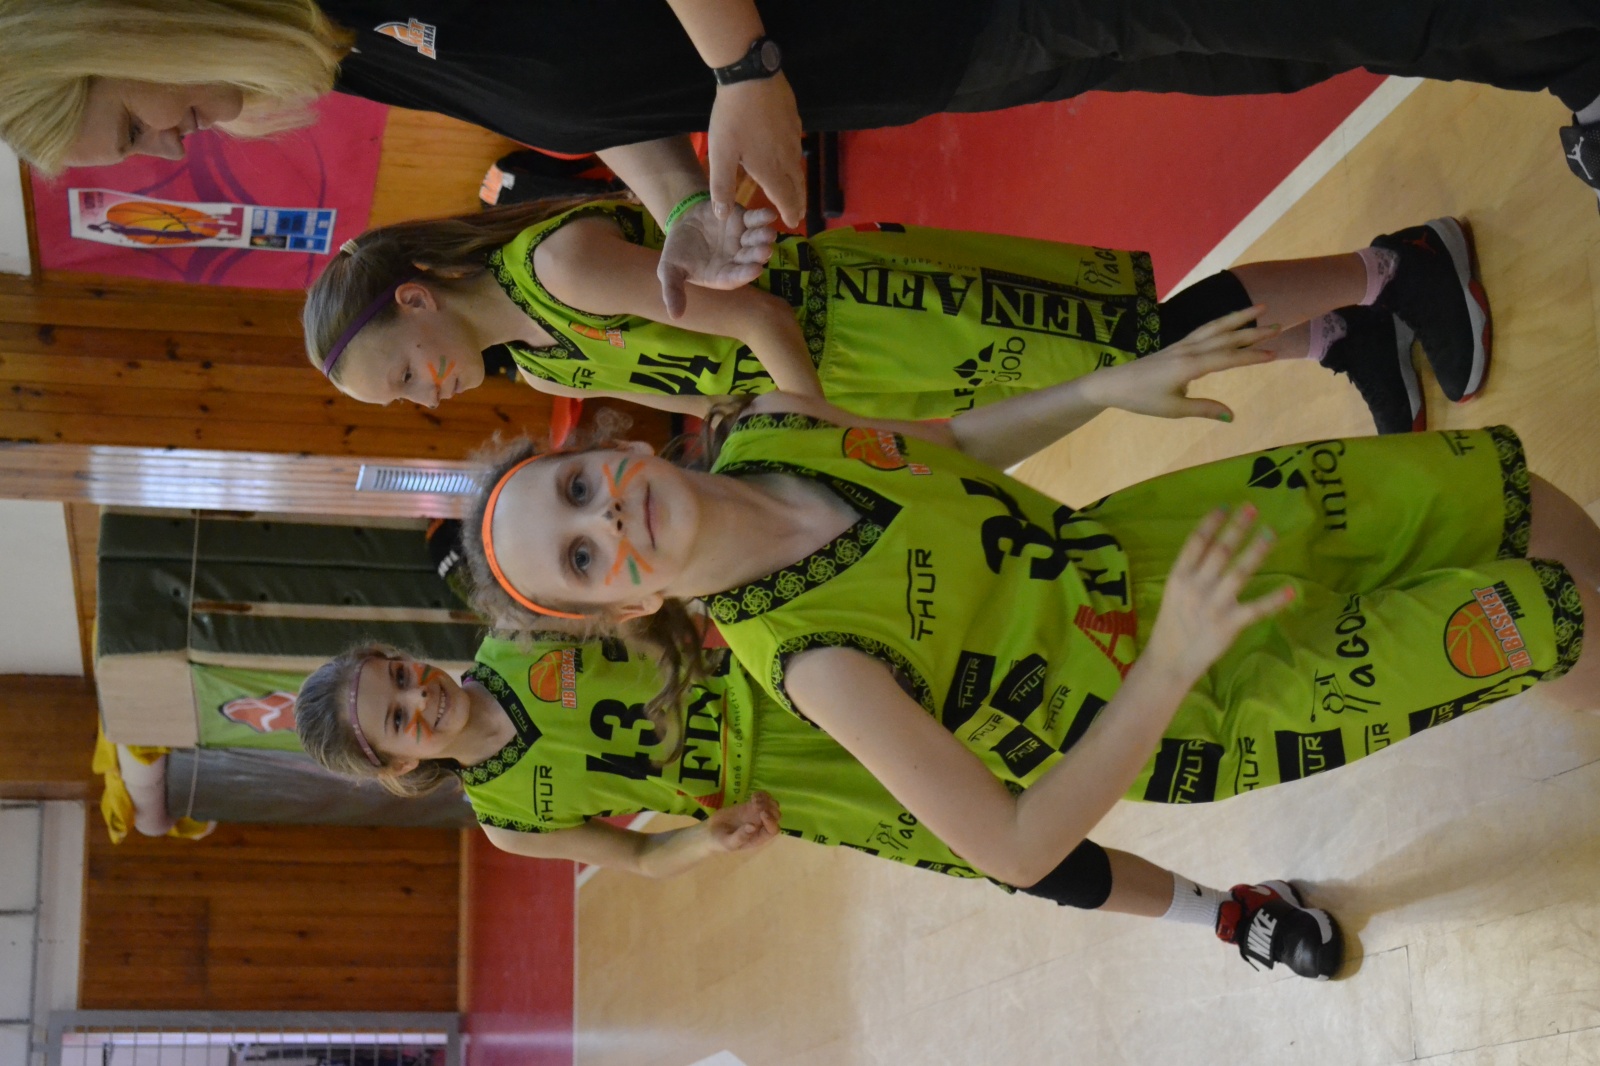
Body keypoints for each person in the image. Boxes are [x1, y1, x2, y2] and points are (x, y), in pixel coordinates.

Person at [455, 308, 1596, 984]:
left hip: (1161, 546)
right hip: (1190, 697)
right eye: (583, 557)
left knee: (1495, 496)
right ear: (621, 612)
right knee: (1541, 620)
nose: (606, 516)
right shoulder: (816, 663)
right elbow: (1013, 844)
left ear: (603, 449)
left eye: (576, 488)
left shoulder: (769, 423)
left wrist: (1110, 386)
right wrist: (1171, 661)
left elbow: (946, 446)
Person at [9, 1, 1600, 315]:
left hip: (851, 27)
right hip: (907, 56)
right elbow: (579, 86)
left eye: (138, 122)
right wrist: (682, 207)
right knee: (1251, 43)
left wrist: (744, 66)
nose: (177, 143)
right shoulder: (342, 46)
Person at [296, 633, 1347, 979]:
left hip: (802, 678)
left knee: (1048, 702)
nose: (417, 699)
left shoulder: (522, 628)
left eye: (399, 676)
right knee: (1018, 857)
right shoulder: (506, 817)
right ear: (396, 764)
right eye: (397, 719)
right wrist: (707, 836)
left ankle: (1255, 664)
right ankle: (1227, 913)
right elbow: (645, 863)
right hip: (801, 785)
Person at [306, 195, 1490, 430]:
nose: (424, 394)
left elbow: (758, 326)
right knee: (1112, 371)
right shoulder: (544, 371)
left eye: (403, 370)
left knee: (1137, 341)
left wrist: (815, 435)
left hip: (869, 314)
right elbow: (708, 389)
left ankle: (1393, 268)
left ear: (416, 298)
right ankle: (1340, 334)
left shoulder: (558, 268)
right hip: (864, 374)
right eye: (403, 402)